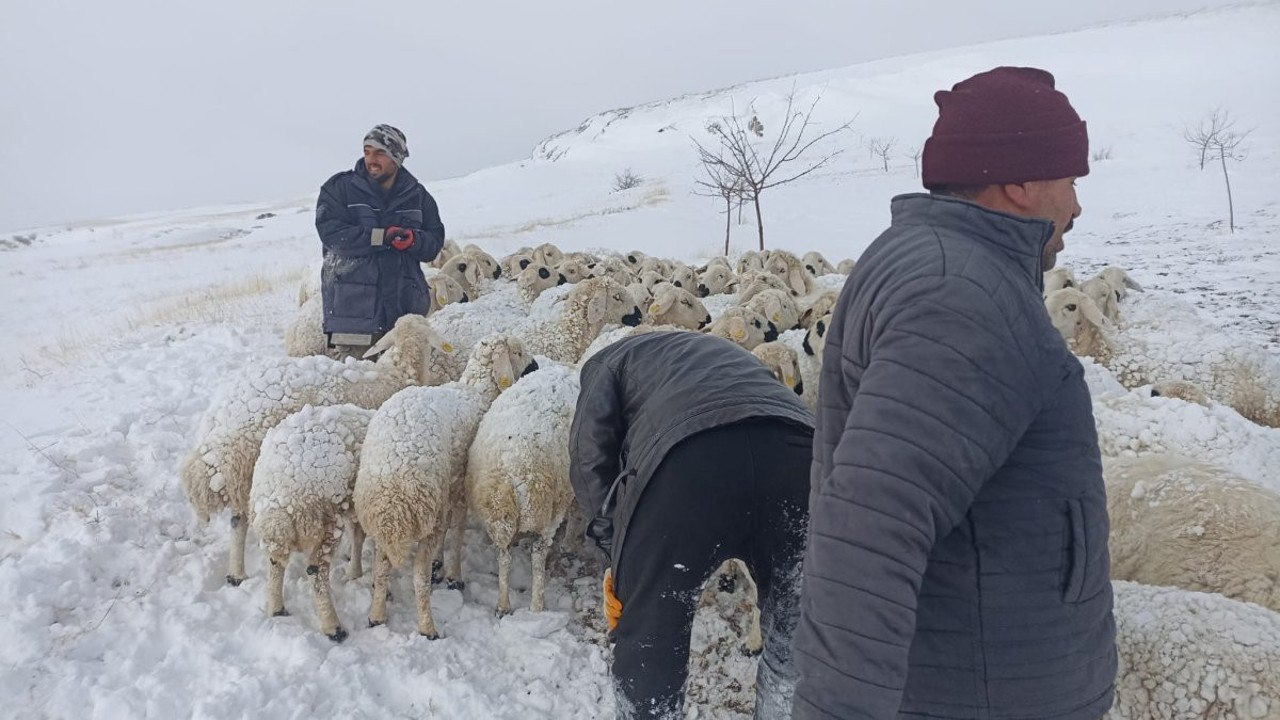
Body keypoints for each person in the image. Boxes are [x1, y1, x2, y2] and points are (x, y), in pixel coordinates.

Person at [791, 66, 1117, 719]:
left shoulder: (930, 260)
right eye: (1070, 180)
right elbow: (872, 529)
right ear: (1020, 182)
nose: (1077, 206)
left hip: (969, 669)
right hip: (984, 690)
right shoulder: (960, 294)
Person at [569, 331, 814, 720]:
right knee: (795, 636)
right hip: (798, 458)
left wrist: (618, 556)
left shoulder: (606, 363)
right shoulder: (731, 354)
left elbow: (590, 462)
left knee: (652, 639)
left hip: (688, 466)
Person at [315, 124, 445, 358]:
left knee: (405, 379)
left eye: (380, 153)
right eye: (367, 152)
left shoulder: (418, 196)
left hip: (405, 316)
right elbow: (333, 234)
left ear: (397, 157)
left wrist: (413, 240)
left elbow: (434, 242)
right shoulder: (339, 189)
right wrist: (381, 237)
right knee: (357, 379)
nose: (371, 160)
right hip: (354, 317)